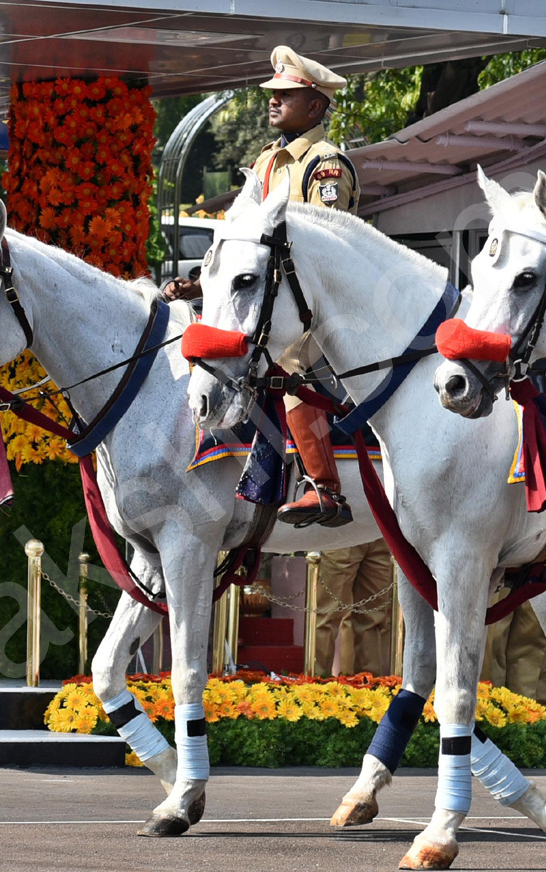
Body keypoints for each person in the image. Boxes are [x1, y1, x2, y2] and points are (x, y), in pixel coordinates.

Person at [166, 46, 359, 527]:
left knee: (289, 359)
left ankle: (323, 487)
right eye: (272, 94)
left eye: (285, 95)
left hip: (317, 304)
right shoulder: (267, 161)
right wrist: (198, 287)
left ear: (315, 106)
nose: (272, 101)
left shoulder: (326, 164)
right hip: (266, 301)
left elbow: (328, 248)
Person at [315, 539, 393, 677]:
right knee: (327, 614)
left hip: (378, 533)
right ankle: (316, 684)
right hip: (343, 532)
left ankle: (371, 687)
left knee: (374, 618)